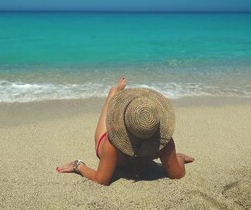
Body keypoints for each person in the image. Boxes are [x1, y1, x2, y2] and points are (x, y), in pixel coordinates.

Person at [56, 78, 194, 185]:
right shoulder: (113, 140)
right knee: (111, 103)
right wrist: (77, 165)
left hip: (122, 133)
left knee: (113, 105)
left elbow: (177, 174)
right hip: (104, 140)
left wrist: (178, 158)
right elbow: (101, 179)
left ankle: (117, 95)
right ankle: (115, 91)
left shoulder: (164, 141)